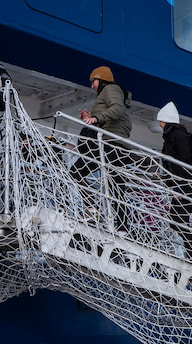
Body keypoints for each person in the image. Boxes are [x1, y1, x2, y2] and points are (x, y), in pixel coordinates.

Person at [70, 65, 133, 232]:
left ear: (101, 79)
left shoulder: (111, 89)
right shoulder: (110, 92)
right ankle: (121, 226)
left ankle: (93, 208)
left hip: (110, 144)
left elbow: (117, 110)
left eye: (93, 81)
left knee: (76, 172)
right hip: (113, 144)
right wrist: (91, 118)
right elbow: (112, 114)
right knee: (116, 186)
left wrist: (95, 118)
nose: (92, 86)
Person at [155, 101, 192, 265]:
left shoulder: (177, 136)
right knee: (178, 220)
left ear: (165, 121)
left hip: (186, 186)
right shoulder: (174, 136)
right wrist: (166, 178)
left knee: (178, 220)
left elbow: (183, 163)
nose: (160, 124)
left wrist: (179, 187)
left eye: (161, 121)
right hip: (183, 185)